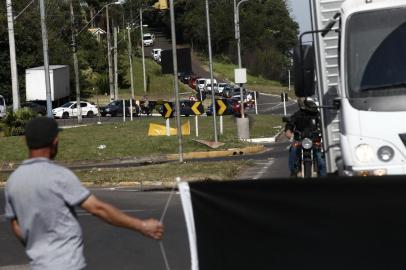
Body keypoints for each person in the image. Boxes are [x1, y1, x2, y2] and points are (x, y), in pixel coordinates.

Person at [4, 117, 164, 270]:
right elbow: (98, 209)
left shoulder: (13, 180)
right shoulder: (59, 176)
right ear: (55, 142)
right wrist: (142, 226)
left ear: (26, 142)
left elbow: (15, 224)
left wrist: (36, 246)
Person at [285, 97, 326, 177]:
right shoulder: (297, 115)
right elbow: (289, 126)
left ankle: (323, 177)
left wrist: (323, 133)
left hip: (314, 141)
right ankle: (293, 172)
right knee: (293, 150)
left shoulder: (316, 114)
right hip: (300, 141)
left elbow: (323, 125)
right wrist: (289, 133)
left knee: (321, 159)